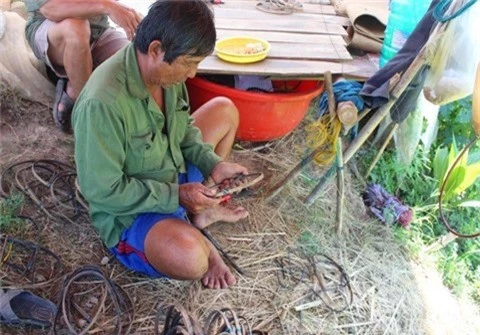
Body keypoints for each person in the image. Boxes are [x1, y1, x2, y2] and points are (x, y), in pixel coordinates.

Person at [73, 0, 250, 289]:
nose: (192, 74)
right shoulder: (102, 103)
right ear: (156, 49)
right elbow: (103, 191)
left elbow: (184, 131)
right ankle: (192, 228)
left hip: (171, 176)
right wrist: (177, 195)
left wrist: (213, 164)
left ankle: (198, 213)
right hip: (132, 211)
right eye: (190, 63)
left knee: (224, 110)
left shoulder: (164, 73)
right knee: (192, 259)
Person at [24, 0, 143, 133]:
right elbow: (51, 8)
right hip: (52, 29)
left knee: (140, 62)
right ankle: (88, 115)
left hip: (99, 31)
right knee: (77, 28)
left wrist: (129, 16)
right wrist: (108, 6)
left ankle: (72, 87)